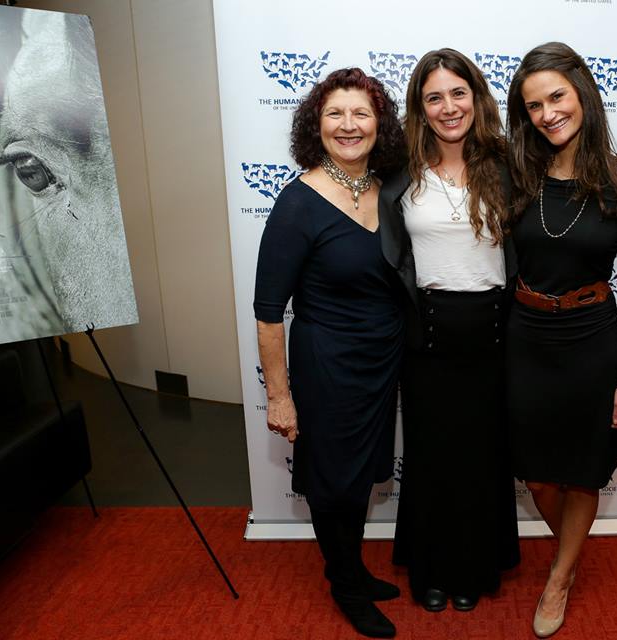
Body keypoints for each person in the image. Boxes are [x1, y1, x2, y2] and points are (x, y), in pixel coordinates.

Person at [504, 42, 617, 638]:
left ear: (583, 93)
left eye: (557, 97)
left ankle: (560, 575)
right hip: (525, 340)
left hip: (593, 343)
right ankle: (564, 553)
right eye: (534, 105)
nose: (547, 113)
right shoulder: (516, 173)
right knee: (539, 476)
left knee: (584, 473)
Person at [254, 67, 407, 639]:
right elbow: (269, 314)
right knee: (333, 483)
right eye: (335, 114)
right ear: (315, 126)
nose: (349, 125)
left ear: (379, 123)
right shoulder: (297, 204)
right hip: (327, 365)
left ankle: (353, 570)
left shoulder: (387, 186)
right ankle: (345, 585)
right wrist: (280, 396)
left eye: (361, 113)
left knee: (360, 477)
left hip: (381, 363)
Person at [378, 48, 520, 613]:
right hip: (427, 336)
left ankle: (474, 569)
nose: (448, 106)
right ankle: (431, 570)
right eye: (433, 97)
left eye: (457, 93)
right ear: (420, 107)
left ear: (476, 97)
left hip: (493, 333)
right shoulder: (399, 175)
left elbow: (570, 173)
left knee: (483, 459)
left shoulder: (511, 166)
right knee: (432, 459)